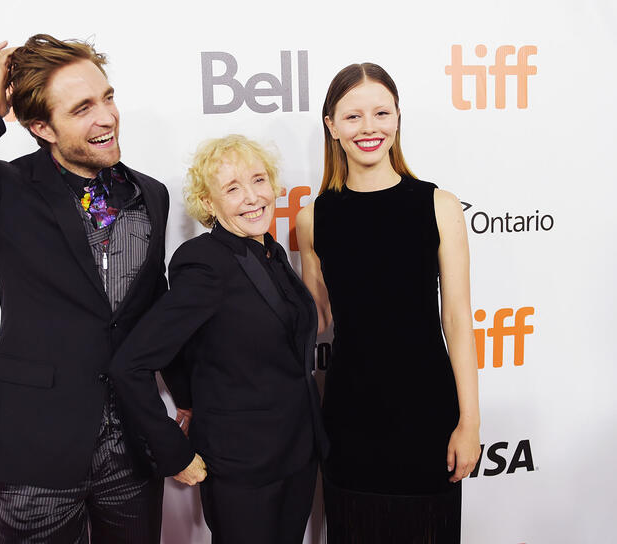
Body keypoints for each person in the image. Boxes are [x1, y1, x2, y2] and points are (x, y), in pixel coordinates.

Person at [0, 34, 190, 543]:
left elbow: (155, 308)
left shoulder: (149, 194)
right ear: (41, 127)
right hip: (35, 450)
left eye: (108, 97)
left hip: (131, 447)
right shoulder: (2, 187)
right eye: (83, 108)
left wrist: (186, 394)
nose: (107, 117)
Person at [108, 135, 329, 544]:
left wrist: (189, 397)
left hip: (297, 455)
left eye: (258, 180)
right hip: (243, 470)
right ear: (209, 204)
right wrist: (172, 450)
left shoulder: (271, 252)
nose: (252, 197)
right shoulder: (203, 262)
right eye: (232, 188)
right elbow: (131, 364)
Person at [296, 63, 481, 542]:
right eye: (353, 116)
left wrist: (470, 422)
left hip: (428, 416)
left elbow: (458, 320)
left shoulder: (438, 205)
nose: (369, 127)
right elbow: (317, 319)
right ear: (331, 125)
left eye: (381, 112)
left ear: (397, 118)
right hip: (350, 418)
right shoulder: (312, 218)